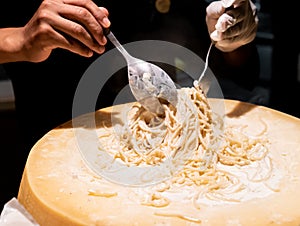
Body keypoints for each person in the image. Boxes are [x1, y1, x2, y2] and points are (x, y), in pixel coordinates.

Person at [0, 0, 259, 206]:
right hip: (56, 151)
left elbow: (232, 64)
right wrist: (19, 40)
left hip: (169, 167)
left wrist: (231, 37)